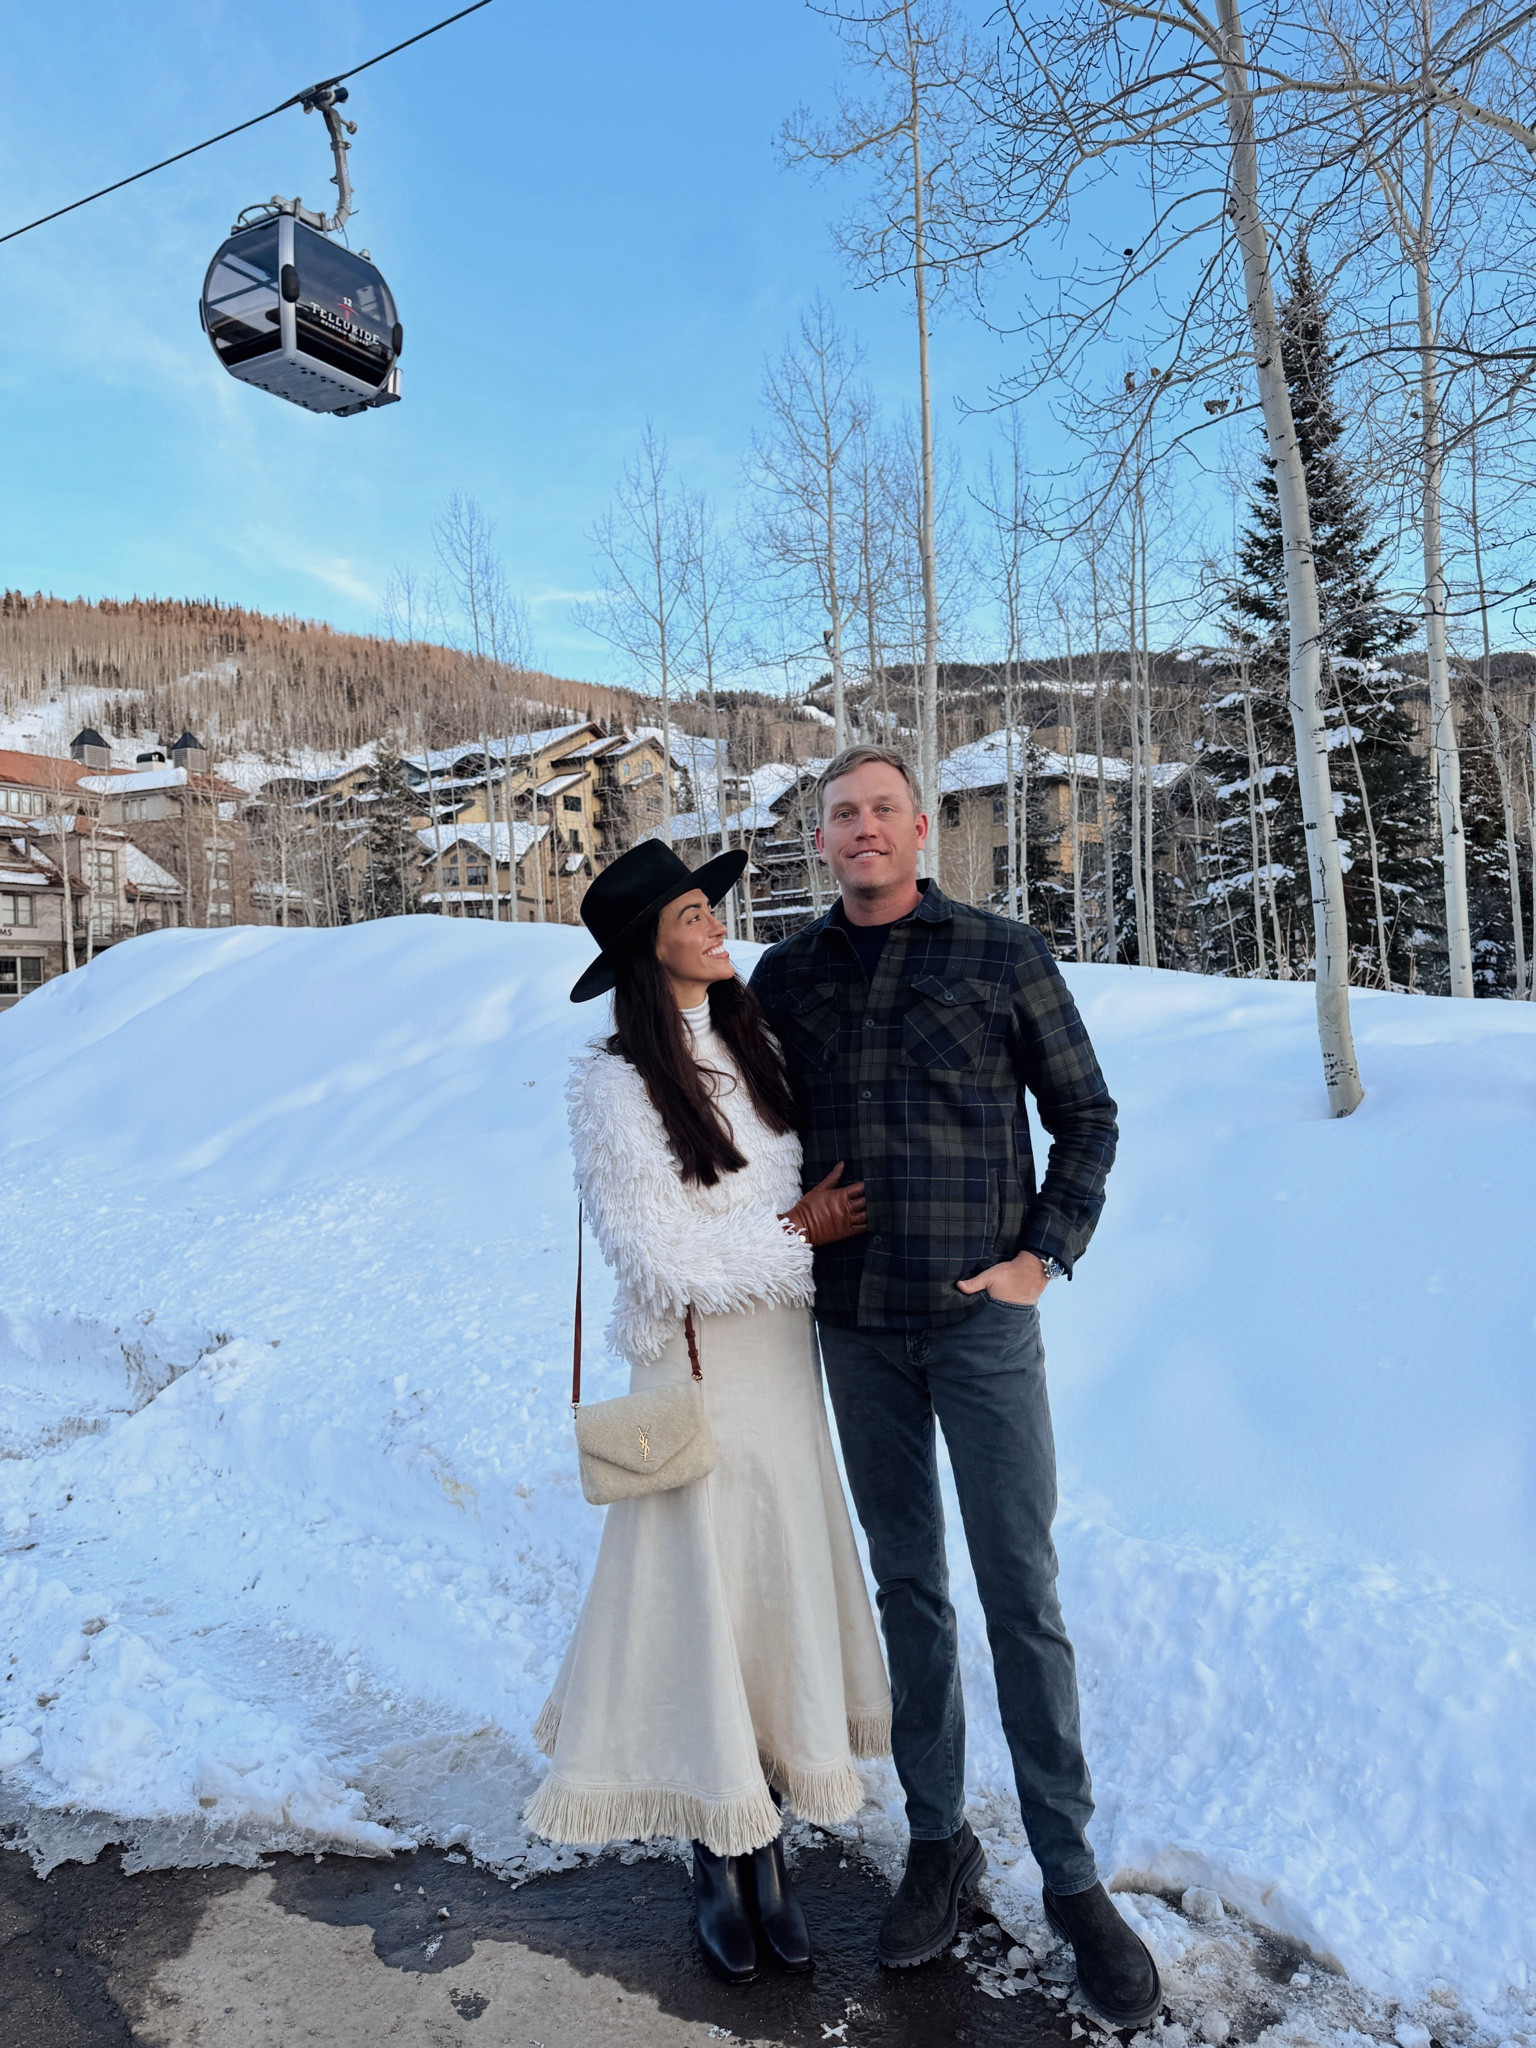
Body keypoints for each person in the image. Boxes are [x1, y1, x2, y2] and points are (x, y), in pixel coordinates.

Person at [749, 745, 1161, 2032]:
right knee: (910, 1590)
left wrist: (1045, 1253)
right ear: (818, 844)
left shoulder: (1000, 954)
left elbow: (1088, 1113)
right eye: (840, 817)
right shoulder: (788, 976)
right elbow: (747, 1138)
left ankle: (1073, 1876)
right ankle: (939, 1837)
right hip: (858, 1329)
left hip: (980, 1326)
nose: (862, 830)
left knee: (1019, 1594)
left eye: (881, 809)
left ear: (920, 829)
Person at [524, 840, 892, 1987]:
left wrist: (803, 1237)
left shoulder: (755, 1038)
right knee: (704, 1594)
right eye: (693, 912)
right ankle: (715, 1839)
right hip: (695, 1370)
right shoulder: (613, 1084)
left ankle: (767, 1828)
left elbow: (786, 1191)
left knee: (773, 1581)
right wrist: (798, 1239)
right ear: (650, 945)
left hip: (781, 1358)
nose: (716, 924)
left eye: (709, 906)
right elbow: (657, 1257)